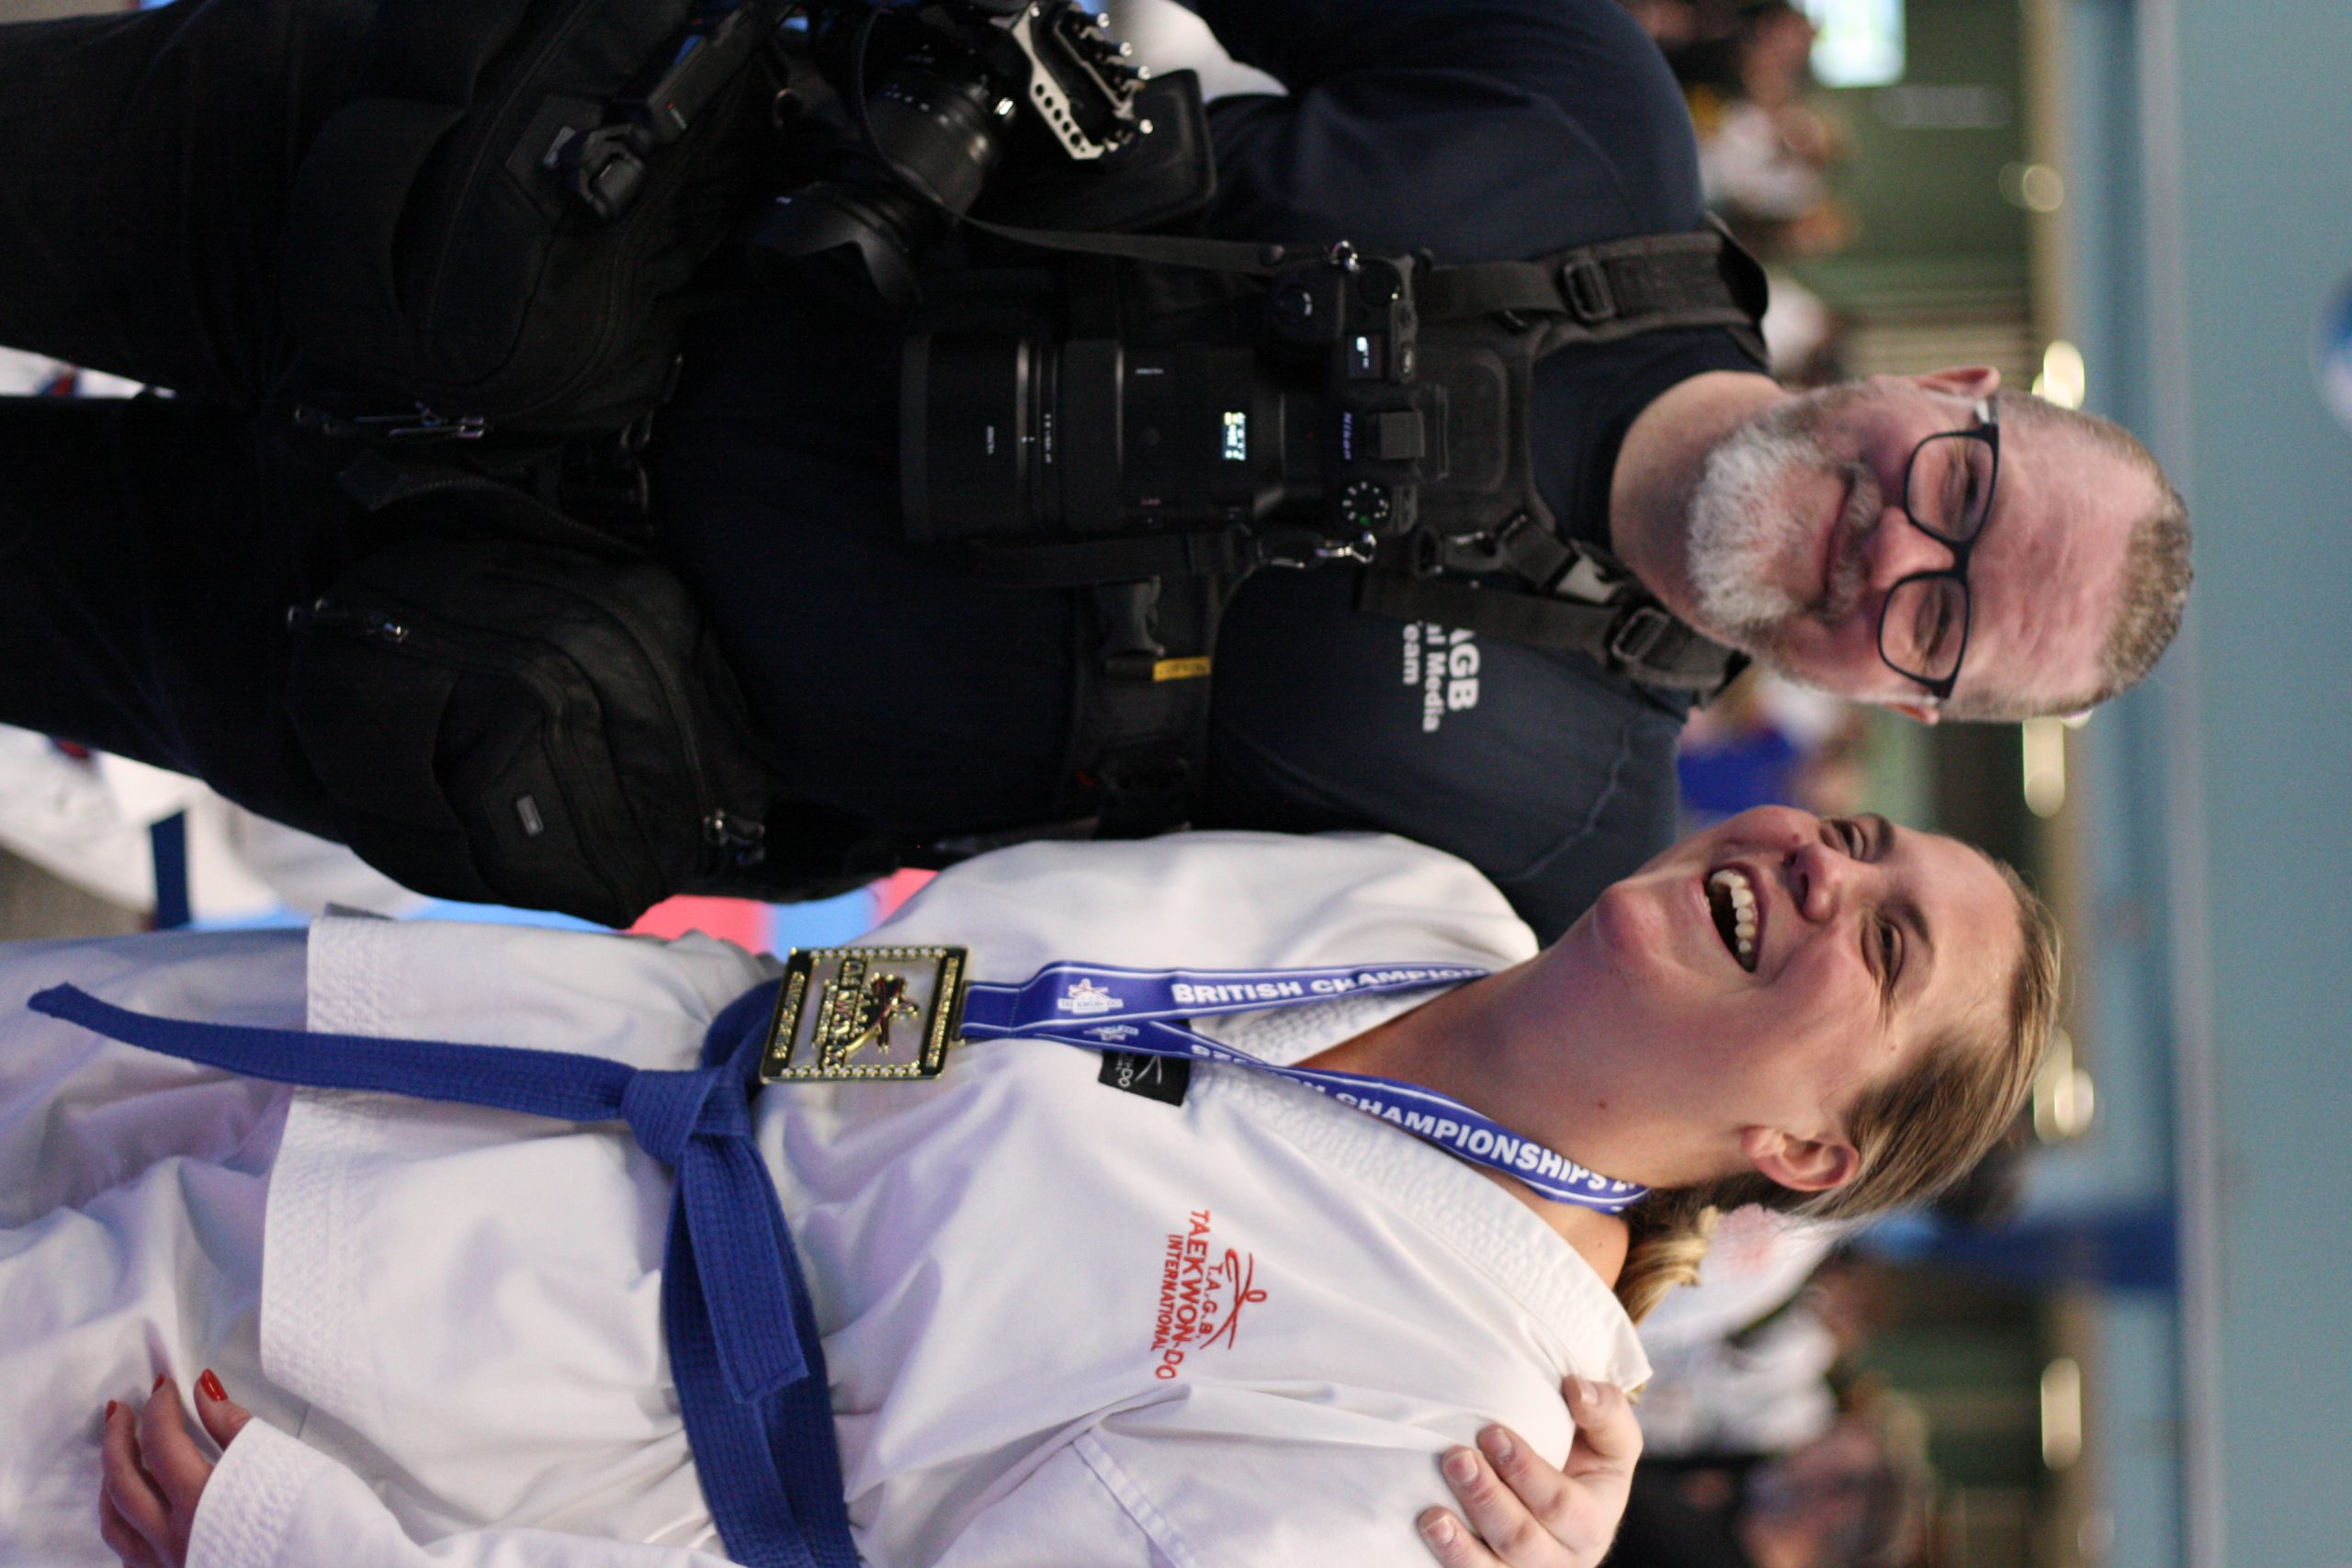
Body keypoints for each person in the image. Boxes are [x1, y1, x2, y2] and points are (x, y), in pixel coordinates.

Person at [0, 0, 2188, 939]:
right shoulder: (1578, 118)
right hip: (477, 210)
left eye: (1939, 623)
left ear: (1906, 698)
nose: (1891, 550)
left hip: (461, 660)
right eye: (1959, 487)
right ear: (1954, 382)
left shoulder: (1548, 852)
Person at [0, 804, 2054, 1567]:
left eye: (1881, 946)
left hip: (438, 1393)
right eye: (1864, 841)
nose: (1823, 866)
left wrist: (315, 1552)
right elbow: (967, 991)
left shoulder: (1454, 1455)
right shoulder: (1416, 901)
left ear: (1807, 1156)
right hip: (491, 1041)